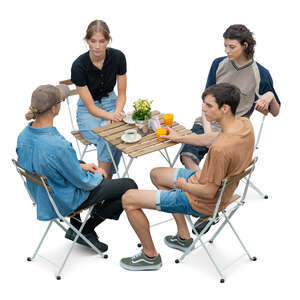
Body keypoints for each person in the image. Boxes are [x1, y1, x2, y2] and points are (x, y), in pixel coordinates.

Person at [120, 83, 255, 271]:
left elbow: (208, 192)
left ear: (225, 108)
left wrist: (182, 186)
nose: (203, 109)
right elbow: (211, 138)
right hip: (208, 183)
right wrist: (179, 138)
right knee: (156, 174)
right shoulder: (243, 125)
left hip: (201, 200)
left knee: (128, 199)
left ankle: (150, 255)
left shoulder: (221, 150)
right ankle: (183, 236)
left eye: (208, 105)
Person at [17, 84, 137, 252]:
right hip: (63, 200)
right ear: (54, 109)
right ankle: (85, 230)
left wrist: (81, 166)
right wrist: (100, 175)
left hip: (42, 195)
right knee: (129, 185)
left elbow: (50, 163)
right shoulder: (58, 146)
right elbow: (84, 183)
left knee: (79, 161)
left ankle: (76, 226)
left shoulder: (24, 135)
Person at [180, 24, 281, 172]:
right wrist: (208, 134)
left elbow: (275, 112)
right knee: (187, 155)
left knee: (219, 162)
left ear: (245, 45)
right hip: (208, 124)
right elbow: (206, 101)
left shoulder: (260, 73)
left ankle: (204, 189)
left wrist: (270, 95)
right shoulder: (218, 64)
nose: (227, 51)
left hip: (234, 132)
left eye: (232, 47)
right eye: (225, 46)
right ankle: (202, 187)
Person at [71, 20, 127, 178]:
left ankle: (104, 180)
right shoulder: (78, 66)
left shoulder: (118, 57)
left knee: (114, 133)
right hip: (88, 111)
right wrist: (112, 117)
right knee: (108, 135)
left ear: (108, 40)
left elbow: (122, 93)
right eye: (93, 41)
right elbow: (90, 107)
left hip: (112, 103)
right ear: (86, 41)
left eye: (101, 41)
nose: (97, 46)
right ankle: (107, 180)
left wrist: (116, 112)